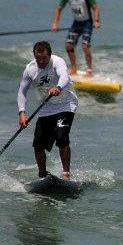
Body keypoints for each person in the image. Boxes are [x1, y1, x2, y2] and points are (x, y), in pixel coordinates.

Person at [18, 41, 79, 180]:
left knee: (61, 136)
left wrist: (58, 87)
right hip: (46, 108)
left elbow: (64, 76)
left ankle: (66, 174)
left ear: (49, 55)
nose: (41, 61)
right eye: (38, 58)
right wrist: (22, 112)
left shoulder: (58, 62)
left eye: (44, 58)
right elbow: (22, 91)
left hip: (65, 105)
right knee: (38, 144)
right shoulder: (30, 69)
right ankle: (42, 175)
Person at [51, 0, 101, 76]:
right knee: (68, 45)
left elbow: (95, 8)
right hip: (76, 23)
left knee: (85, 46)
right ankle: (74, 68)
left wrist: (96, 20)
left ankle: (89, 70)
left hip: (87, 23)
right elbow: (59, 9)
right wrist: (55, 23)